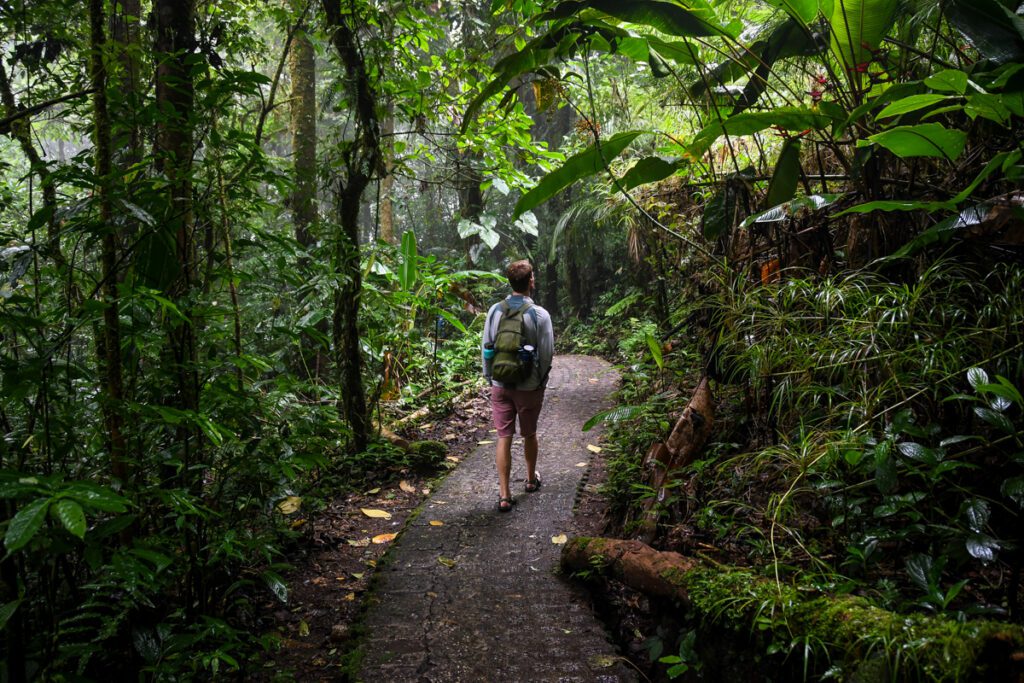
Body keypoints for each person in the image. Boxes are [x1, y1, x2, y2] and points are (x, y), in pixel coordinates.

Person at [481, 260, 554, 512]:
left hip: (500, 384)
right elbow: (546, 353)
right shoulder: (540, 314)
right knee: (529, 434)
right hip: (529, 386)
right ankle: (531, 479)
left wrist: (490, 378)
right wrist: (541, 382)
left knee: (504, 437)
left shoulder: (494, 310)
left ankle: (504, 494)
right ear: (530, 281)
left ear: (510, 282)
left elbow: (487, 346)